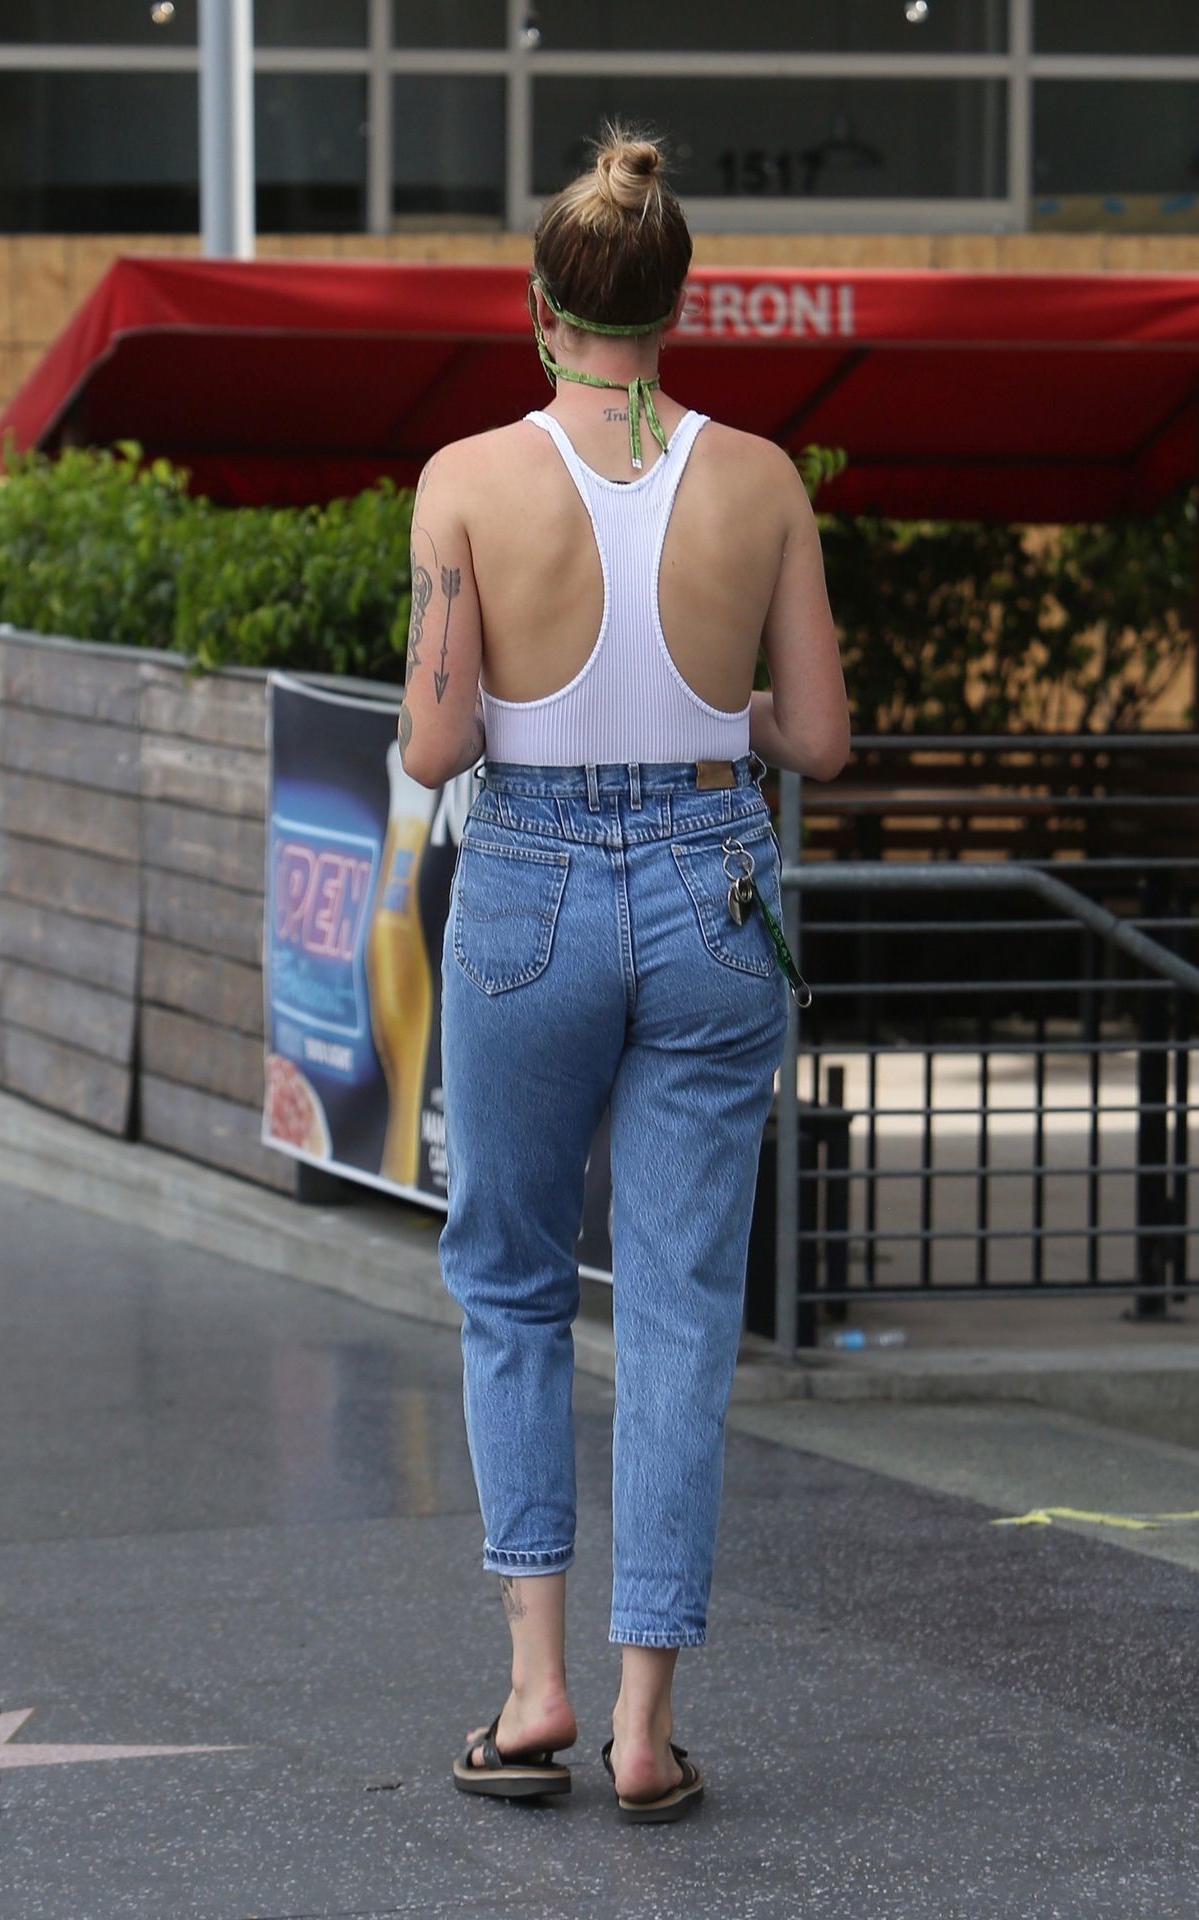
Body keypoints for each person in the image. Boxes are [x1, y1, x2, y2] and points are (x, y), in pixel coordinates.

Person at [397, 120, 849, 1822]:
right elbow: (820, 737)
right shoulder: (764, 479)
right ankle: (649, 1728)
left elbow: (435, 744)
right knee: (675, 1308)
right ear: (680, 305)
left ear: (541, 308)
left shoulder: (465, 480)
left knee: (513, 1280)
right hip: (715, 886)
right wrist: (717, 713)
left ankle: (535, 1694)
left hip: (528, 886)